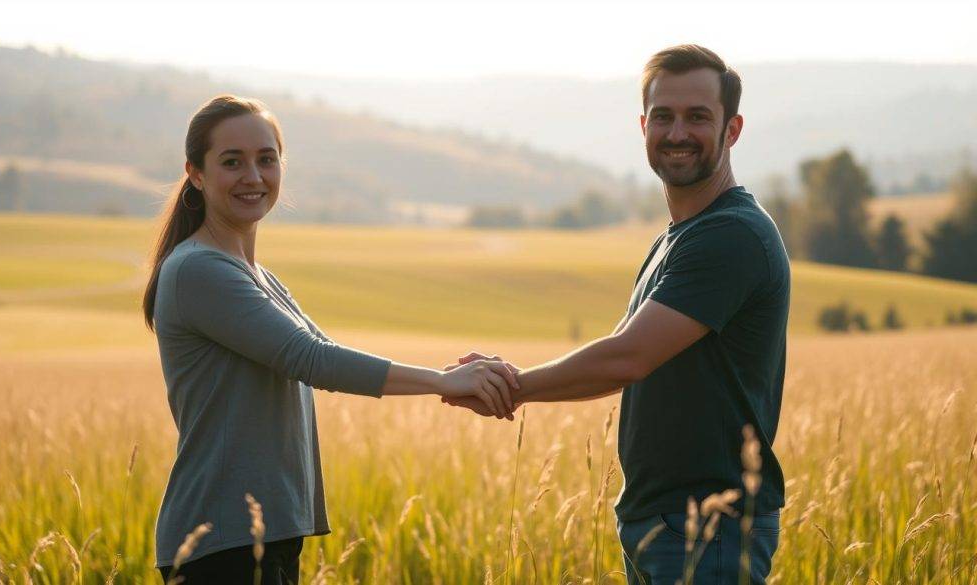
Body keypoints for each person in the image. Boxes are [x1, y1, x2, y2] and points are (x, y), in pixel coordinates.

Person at [446, 45, 790, 584]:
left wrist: (512, 386)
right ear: (643, 125)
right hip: (665, 525)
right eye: (663, 116)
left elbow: (626, 358)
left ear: (733, 129)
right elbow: (625, 355)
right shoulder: (679, 238)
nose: (677, 132)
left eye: (698, 116)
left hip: (707, 530)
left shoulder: (731, 235)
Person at [142, 95, 518, 585]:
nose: (253, 176)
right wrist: (446, 381)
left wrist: (455, 379)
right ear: (195, 173)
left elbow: (320, 349)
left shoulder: (257, 275)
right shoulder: (198, 270)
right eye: (232, 162)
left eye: (266, 159)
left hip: (264, 535)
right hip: (220, 542)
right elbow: (312, 359)